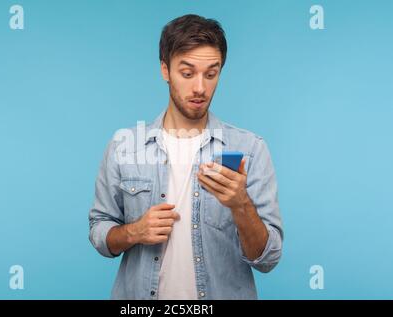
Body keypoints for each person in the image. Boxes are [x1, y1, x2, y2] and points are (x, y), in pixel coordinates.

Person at [89, 14, 283, 300]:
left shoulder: (250, 149)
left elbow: (267, 259)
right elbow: (99, 230)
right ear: (165, 70)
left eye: (211, 73)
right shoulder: (124, 147)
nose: (200, 88)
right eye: (187, 72)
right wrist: (134, 232)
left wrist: (240, 204)